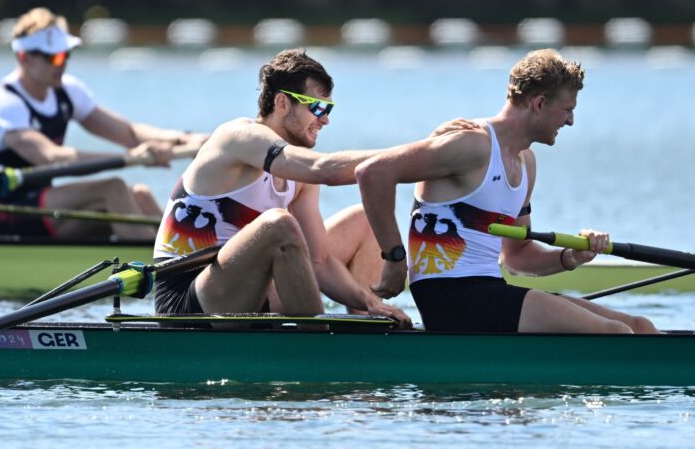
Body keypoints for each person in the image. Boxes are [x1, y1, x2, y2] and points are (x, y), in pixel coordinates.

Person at [355, 48, 660, 334]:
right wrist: (395, 259)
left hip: (489, 291)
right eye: (567, 109)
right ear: (539, 103)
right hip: (448, 297)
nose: (570, 120)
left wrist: (571, 257)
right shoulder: (472, 145)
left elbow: (516, 257)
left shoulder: (526, 163)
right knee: (616, 334)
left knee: (639, 325)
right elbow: (373, 173)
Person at [153, 48, 460, 325]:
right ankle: (319, 344)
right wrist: (427, 151)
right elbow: (324, 169)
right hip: (190, 297)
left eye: (329, 109)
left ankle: (368, 331)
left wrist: (369, 301)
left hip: (250, 290)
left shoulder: (298, 176)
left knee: (362, 220)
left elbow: (320, 262)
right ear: (282, 102)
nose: (325, 120)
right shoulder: (237, 137)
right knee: (278, 224)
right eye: (316, 108)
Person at [0, 7, 208, 240]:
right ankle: (164, 269)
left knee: (140, 195)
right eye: (53, 56)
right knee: (112, 189)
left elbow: (129, 133)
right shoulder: (2, 103)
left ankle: (188, 258)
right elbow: (50, 157)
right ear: (24, 57)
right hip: (5, 212)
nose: (61, 63)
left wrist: (187, 139)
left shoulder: (66, 91)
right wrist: (133, 156)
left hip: (42, 209)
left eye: (66, 54)